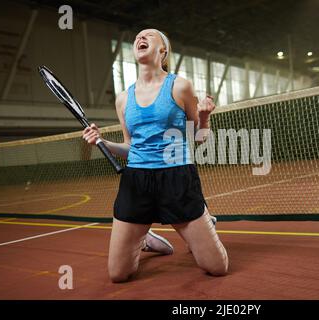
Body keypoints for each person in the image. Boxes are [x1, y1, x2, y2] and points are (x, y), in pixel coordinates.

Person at [83, 28, 228, 282]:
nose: (141, 38)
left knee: (217, 267)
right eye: (138, 37)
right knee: (118, 275)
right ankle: (145, 237)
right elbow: (130, 147)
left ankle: (203, 219)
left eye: (149, 36)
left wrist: (204, 117)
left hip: (177, 177)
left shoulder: (180, 86)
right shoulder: (123, 99)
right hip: (137, 180)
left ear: (163, 51)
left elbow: (200, 137)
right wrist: (102, 142)